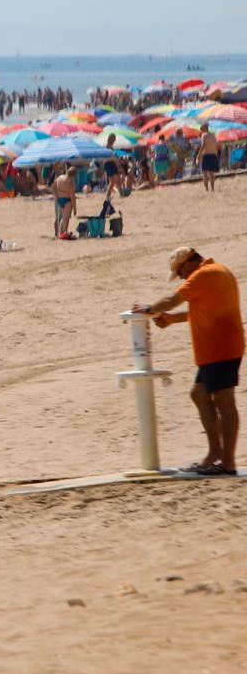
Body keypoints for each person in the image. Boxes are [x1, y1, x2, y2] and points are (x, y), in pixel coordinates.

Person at [136, 246, 245, 475]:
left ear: (187, 264)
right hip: (216, 348)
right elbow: (202, 310)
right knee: (199, 395)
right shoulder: (216, 271)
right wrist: (172, 320)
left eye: (180, 272)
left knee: (225, 402)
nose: (182, 277)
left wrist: (148, 309)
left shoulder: (203, 275)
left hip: (220, 347)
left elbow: (170, 299)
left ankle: (227, 462)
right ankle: (215, 454)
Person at [199, 126, 222, 192]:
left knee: (205, 173)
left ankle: (206, 189)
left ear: (204, 128)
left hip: (206, 155)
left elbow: (203, 145)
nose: (200, 130)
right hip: (213, 155)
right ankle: (212, 188)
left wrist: (199, 154)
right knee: (212, 174)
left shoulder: (204, 135)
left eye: (201, 128)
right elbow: (217, 145)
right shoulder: (213, 135)